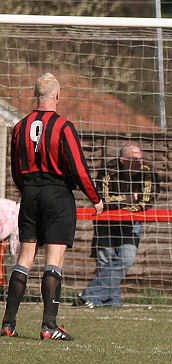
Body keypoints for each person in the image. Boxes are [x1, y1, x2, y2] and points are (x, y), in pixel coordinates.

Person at [1, 73, 104, 341]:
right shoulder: (63, 126)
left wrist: (26, 189)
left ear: (35, 95)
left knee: (24, 259)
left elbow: (15, 167)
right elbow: (79, 168)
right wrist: (95, 197)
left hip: (31, 194)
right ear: (57, 96)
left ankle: (8, 323)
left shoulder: (20, 126)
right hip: (57, 195)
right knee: (53, 262)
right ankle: (49, 326)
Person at [76, 144, 158, 308]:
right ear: (122, 161)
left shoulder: (148, 172)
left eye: (140, 158)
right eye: (133, 159)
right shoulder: (107, 171)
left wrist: (122, 203)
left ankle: (88, 295)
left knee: (127, 258)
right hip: (105, 220)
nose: (138, 162)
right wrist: (129, 198)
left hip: (132, 222)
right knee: (105, 260)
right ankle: (111, 302)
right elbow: (103, 201)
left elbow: (146, 202)